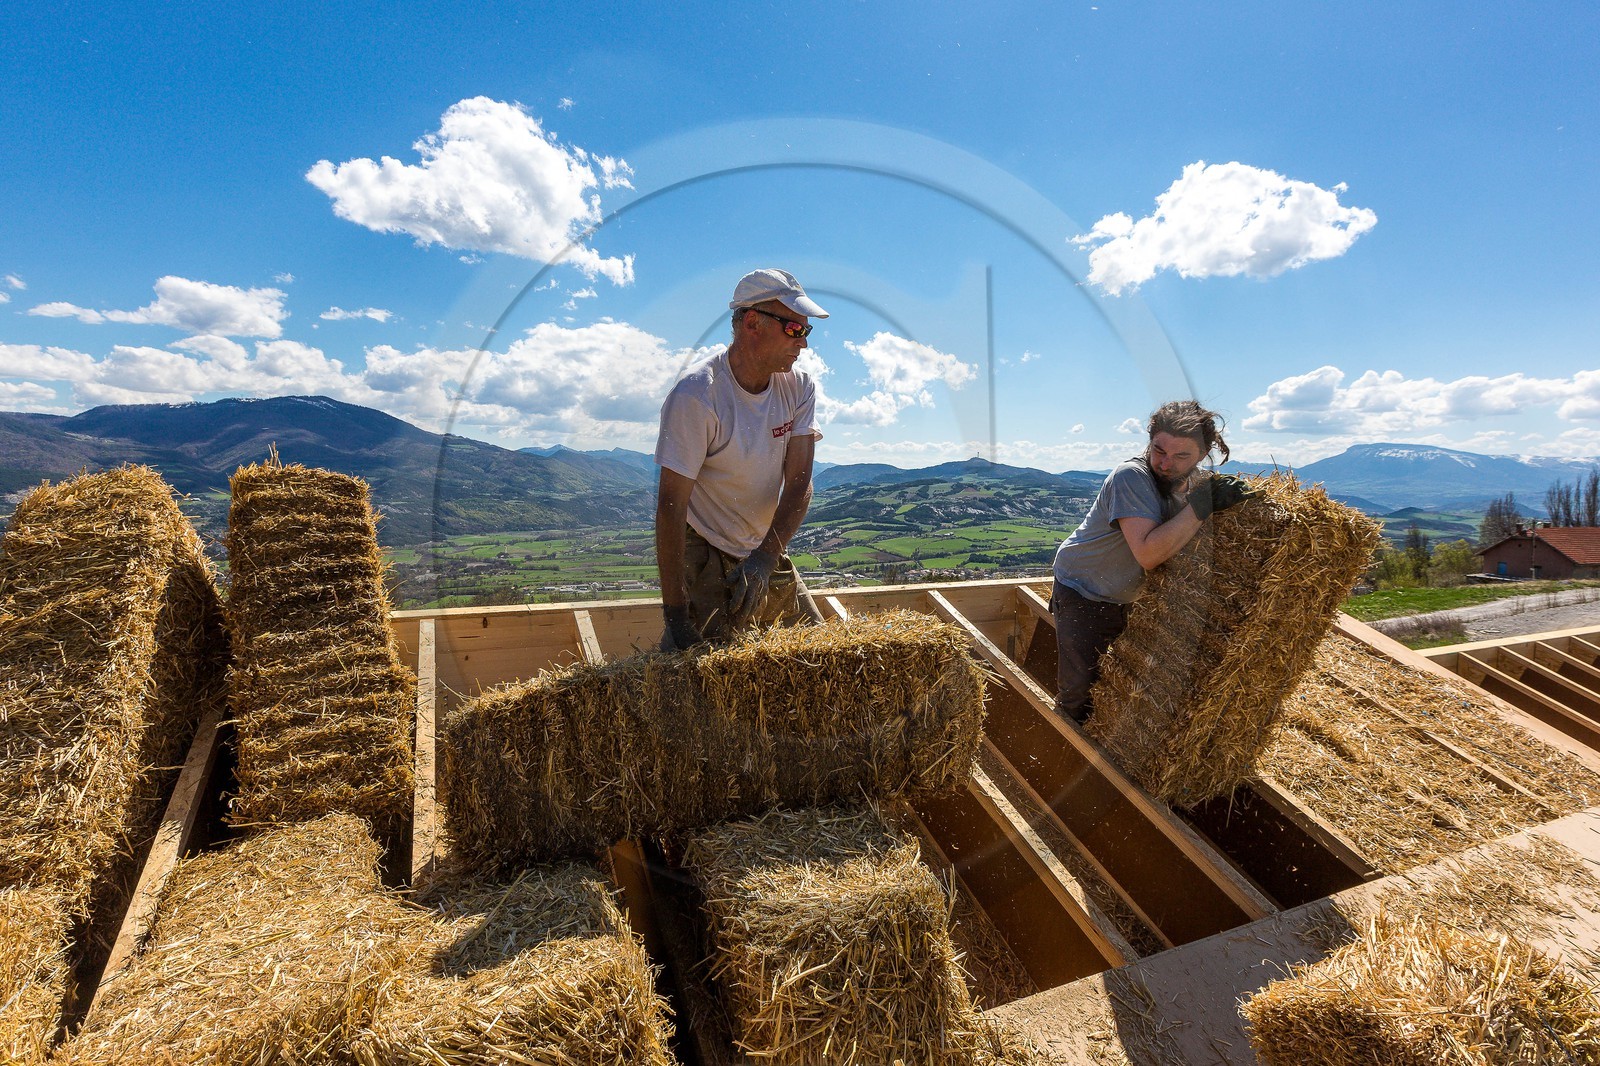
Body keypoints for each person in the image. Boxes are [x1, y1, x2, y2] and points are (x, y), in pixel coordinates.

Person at [654, 268, 828, 651]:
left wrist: (766, 558)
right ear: (753, 322)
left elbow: (800, 483)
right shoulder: (698, 395)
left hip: (762, 545)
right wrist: (676, 615)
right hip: (704, 543)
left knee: (822, 652)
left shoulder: (799, 386)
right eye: (795, 330)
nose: (803, 344)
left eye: (806, 332)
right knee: (702, 672)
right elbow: (670, 506)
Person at [1050, 400, 1254, 723]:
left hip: (1119, 594)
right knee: (1080, 695)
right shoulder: (1131, 477)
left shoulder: (1191, 483)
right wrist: (1201, 508)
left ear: (1201, 455)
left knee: (1111, 684)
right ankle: (1058, 752)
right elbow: (1148, 554)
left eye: (1181, 456)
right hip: (1082, 590)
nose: (1165, 463)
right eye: (1159, 450)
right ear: (1149, 439)